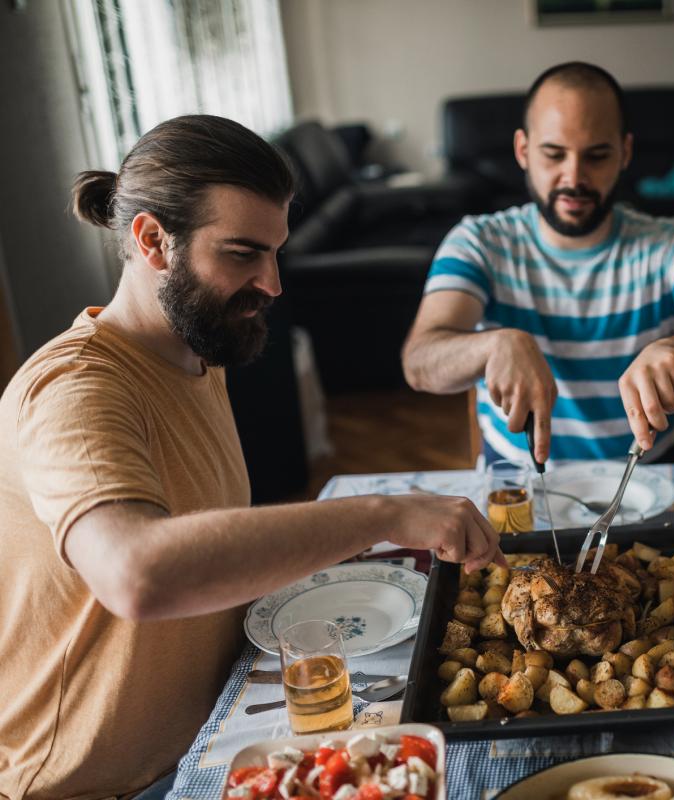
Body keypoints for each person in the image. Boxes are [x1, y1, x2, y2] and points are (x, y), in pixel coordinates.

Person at [0, 115, 503, 799]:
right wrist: (385, 513)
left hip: (216, 734)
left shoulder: (195, 353)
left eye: (275, 253)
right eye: (242, 254)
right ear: (152, 241)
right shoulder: (77, 390)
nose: (272, 283)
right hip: (97, 785)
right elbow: (136, 574)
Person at [402, 62, 674, 464]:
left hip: (645, 479)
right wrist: (492, 345)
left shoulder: (671, 243)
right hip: (516, 483)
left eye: (596, 156)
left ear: (625, 153)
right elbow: (419, 361)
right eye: (554, 154)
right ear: (523, 150)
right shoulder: (478, 242)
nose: (574, 177)